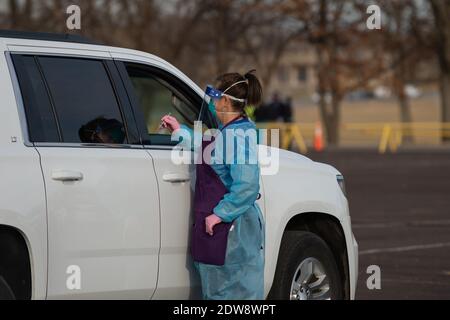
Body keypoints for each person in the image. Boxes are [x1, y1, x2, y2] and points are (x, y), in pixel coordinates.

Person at [161, 70, 265, 300]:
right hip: (223, 233)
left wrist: (219, 214)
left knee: (233, 295)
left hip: (232, 232)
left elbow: (247, 184)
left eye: (215, 97)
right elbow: (209, 147)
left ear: (226, 101)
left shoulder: (238, 136)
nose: (212, 103)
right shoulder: (230, 132)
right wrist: (179, 131)